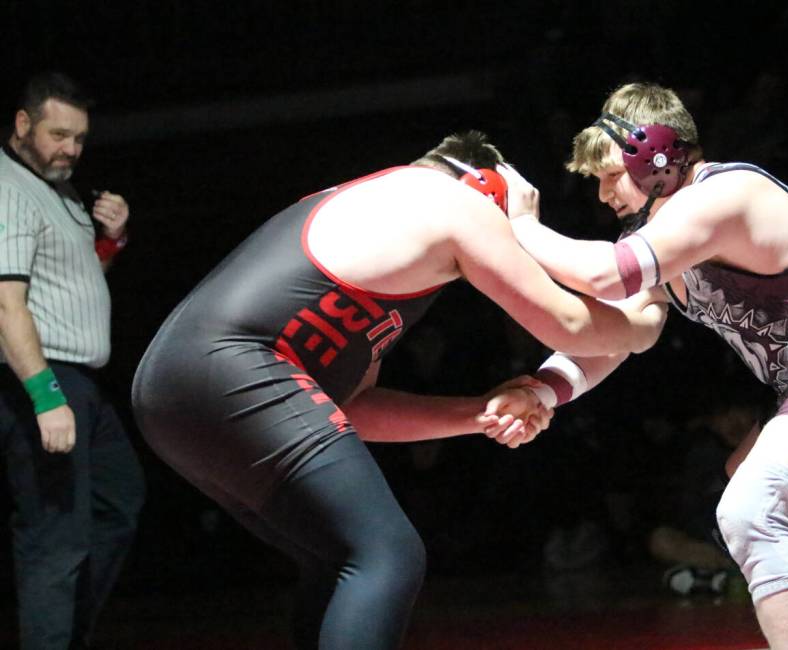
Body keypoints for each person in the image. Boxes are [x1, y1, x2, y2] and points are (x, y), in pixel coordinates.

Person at [130, 131, 664, 650]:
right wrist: (644, 324)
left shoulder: (380, 216)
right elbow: (569, 326)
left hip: (167, 389)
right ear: (488, 185)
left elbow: (352, 407)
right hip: (237, 368)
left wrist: (479, 413)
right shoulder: (454, 202)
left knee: (335, 557)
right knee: (386, 554)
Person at [501, 82, 788, 650]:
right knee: (748, 490)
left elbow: (607, 274)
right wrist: (542, 393)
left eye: (610, 174)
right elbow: (620, 335)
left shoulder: (728, 193)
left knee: (754, 509)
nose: (604, 194)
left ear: (657, 155)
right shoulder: (661, 239)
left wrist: (520, 228)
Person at [0, 72, 146, 649]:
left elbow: (73, 282)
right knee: (55, 538)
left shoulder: (57, 191)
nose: (72, 149)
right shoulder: (8, 188)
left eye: (80, 138)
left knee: (118, 503)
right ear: (23, 124)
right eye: (59, 135)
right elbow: (5, 303)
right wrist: (44, 396)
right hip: (41, 378)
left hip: (80, 382)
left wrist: (111, 239)